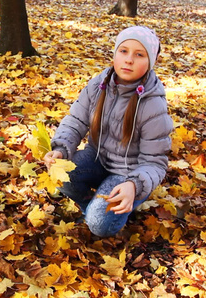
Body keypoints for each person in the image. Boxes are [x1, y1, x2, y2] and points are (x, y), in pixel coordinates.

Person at [43, 26, 173, 237]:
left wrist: (134, 184)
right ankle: (91, 206)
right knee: (60, 173)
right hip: (98, 159)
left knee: (99, 225)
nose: (129, 59)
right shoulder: (99, 85)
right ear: (114, 53)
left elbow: (155, 162)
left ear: (151, 61)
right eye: (123, 51)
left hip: (129, 172)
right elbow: (76, 120)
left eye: (139, 54)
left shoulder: (153, 105)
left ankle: (127, 201)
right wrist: (61, 148)